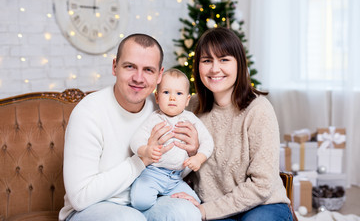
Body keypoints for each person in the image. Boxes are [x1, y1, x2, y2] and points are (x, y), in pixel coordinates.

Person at [59, 33, 201, 221]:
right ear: (114, 66)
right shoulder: (88, 113)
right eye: (129, 66)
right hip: (92, 208)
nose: (138, 78)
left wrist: (191, 154)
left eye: (148, 70)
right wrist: (141, 160)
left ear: (160, 75)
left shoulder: (161, 108)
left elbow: (167, 171)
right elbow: (80, 198)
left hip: (146, 201)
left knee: (188, 213)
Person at [171, 27, 292, 221]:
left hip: (263, 205)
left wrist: (204, 211)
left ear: (239, 64)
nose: (214, 69)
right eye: (207, 60)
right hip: (214, 207)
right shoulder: (189, 107)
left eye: (224, 59)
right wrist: (192, 153)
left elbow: (262, 185)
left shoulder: (258, 109)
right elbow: (174, 163)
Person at [130, 69, 214, 211]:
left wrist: (199, 158)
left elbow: (208, 141)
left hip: (175, 179)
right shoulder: (154, 118)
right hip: (152, 174)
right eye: (166, 92)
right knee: (140, 202)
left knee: (195, 204)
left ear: (187, 100)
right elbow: (135, 140)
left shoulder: (191, 119)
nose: (172, 98)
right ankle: (158, 206)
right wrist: (146, 150)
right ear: (157, 97)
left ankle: (165, 200)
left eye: (179, 93)